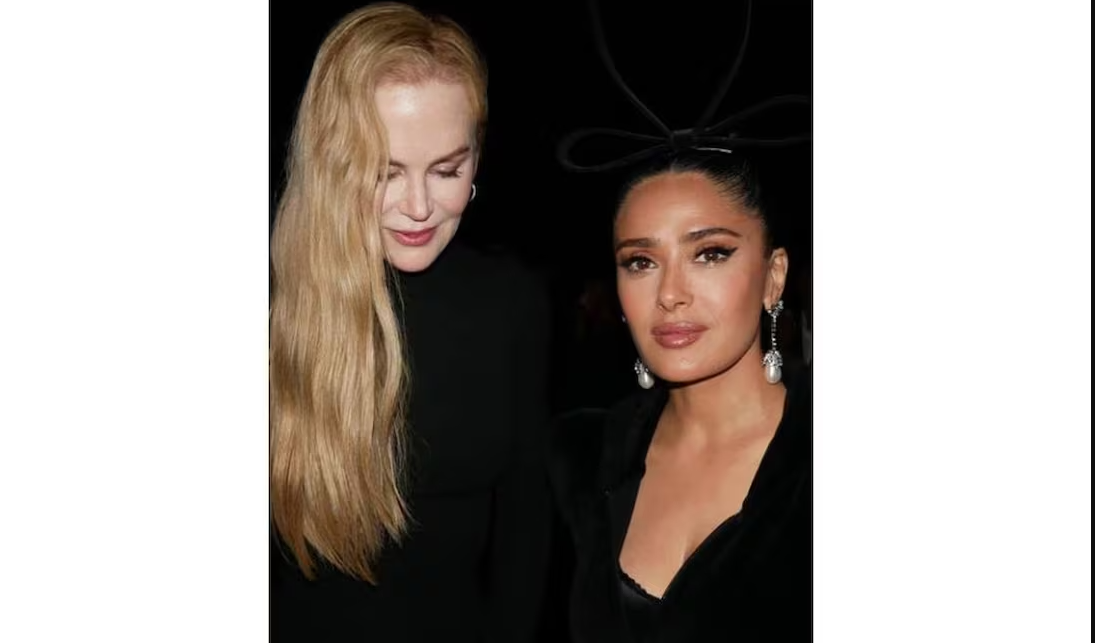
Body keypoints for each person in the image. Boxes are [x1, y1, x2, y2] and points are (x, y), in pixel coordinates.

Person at [268, 4, 552, 642]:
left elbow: (526, 526)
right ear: (331, 163)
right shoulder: (269, 305)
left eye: (448, 169)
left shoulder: (511, 301)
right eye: (383, 172)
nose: (420, 206)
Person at [548, 1, 811, 640]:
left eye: (710, 253)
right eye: (640, 262)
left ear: (774, 275)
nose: (670, 294)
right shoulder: (581, 458)